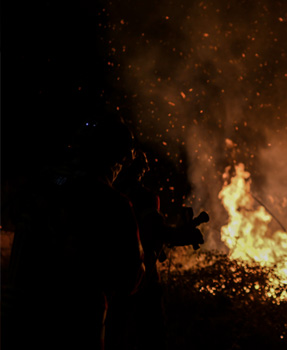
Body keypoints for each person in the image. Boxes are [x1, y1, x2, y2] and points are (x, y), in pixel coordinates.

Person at [4, 118, 145, 350]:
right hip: (76, 326)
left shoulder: (44, 183)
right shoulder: (114, 205)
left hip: (19, 319)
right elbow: (128, 280)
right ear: (118, 160)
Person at [109, 147, 206, 350]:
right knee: (150, 335)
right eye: (140, 169)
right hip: (141, 275)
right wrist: (182, 235)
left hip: (112, 276)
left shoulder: (106, 191)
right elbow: (156, 231)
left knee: (114, 333)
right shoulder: (141, 197)